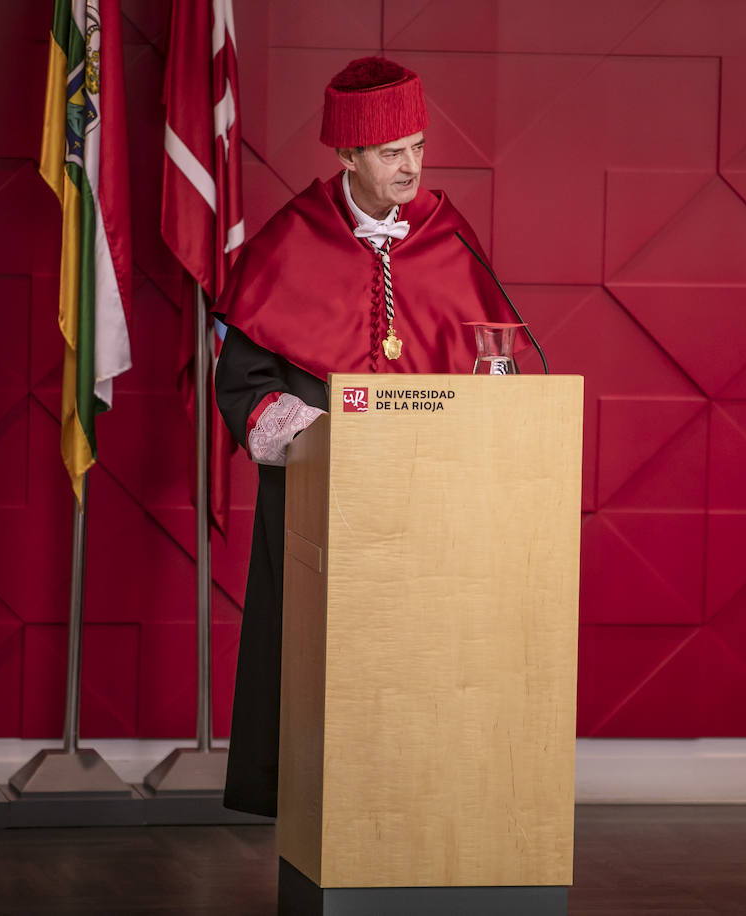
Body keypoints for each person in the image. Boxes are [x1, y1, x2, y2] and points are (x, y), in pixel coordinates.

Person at [213, 57, 520, 817]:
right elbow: (244, 388)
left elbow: (487, 362)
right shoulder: (291, 241)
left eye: (417, 145)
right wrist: (327, 439)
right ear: (347, 156)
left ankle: (431, 810)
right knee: (324, 672)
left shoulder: (454, 239)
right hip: (322, 511)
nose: (411, 166)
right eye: (391, 153)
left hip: (430, 510)